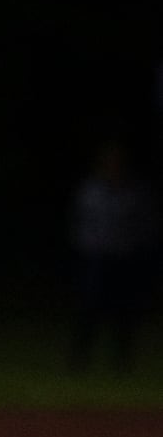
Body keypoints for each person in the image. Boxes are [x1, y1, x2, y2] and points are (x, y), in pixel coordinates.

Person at [67, 138, 161, 373]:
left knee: (125, 311)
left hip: (126, 258)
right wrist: (86, 248)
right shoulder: (91, 190)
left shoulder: (135, 191)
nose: (113, 166)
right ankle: (79, 361)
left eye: (117, 162)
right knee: (89, 308)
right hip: (97, 258)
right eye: (109, 162)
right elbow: (80, 222)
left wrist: (140, 251)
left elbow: (147, 224)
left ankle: (122, 362)